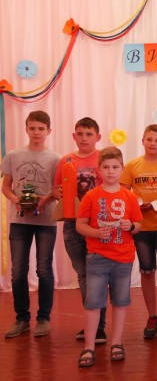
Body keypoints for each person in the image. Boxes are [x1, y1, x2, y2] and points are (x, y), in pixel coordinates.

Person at [75, 147, 143, 367]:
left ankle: (116, 342)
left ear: (122, 169)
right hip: (97, 257)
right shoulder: (91, 196)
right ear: (99, 170)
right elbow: (80, 225)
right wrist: (96, 233)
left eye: (115, 167)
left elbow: (138, 225)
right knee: (93, 302)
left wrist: (130, 226)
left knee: (121, 301)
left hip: (123, 257)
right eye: (106, 167)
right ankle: (89, 346)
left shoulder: (130, 196)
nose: (111, 171)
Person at [2, 110, 60, 338]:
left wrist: (44, 200)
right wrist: (17, 200)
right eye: (33, 128)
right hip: (19, 221)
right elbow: (6, 186)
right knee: (18, 272)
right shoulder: (13, 155)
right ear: (26, 129)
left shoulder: (55, 159)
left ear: (49, 131)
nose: (36, 132)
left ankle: (44, 318)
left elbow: (57, 191)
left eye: (41, 129)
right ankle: (22, 319)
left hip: (46, 221)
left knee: (44, 270)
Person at [120, 124, 157, 340]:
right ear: (142, 141)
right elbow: (123, 195)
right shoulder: (131, 165)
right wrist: (138, 206)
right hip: (142, 229)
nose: (153, 143)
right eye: (149, 139)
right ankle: (152, 316)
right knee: (146, 271)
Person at [52, 117, 107, 343]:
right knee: (83, 274)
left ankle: (100, 326)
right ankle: (91, 325)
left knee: (98, 273)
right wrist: (57, 193)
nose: (84, 138)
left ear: (98, 137)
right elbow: (56, 189)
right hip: (72, 224)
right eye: (80, 134)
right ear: (74, 136)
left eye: (89, 134)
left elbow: (114, 185)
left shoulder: (104, 158)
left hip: (98, 224)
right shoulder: (65, 160)